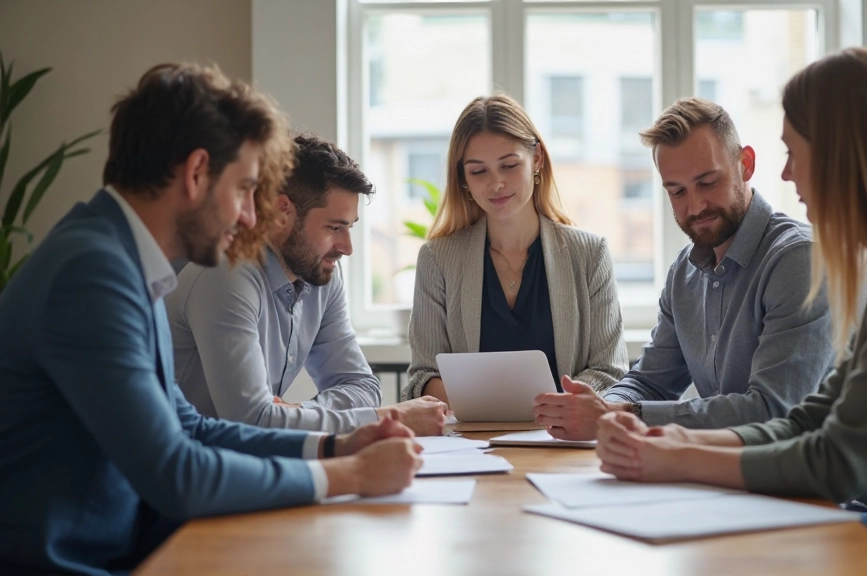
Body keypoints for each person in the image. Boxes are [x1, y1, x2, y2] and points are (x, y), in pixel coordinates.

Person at [596, 47, 867, 576]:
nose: (786, 172)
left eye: (793, 151)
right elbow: (810, 419)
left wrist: (679, 456)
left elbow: (839, 462)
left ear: (846, 154)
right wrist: (676, 438)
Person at [0, 63, 422, 576]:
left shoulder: (123, 259)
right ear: (197, 173)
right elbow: (177, 474)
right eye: (245, 188)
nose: (251, 216)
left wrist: (337, 444)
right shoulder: (93, 274)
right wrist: (349, 473)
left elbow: (192, 428)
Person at [533, 97, 834, 441]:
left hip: (817, 489)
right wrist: (598, 407)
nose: (696, 206)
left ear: (745, 164)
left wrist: (618, 415)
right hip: (732, 476)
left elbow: (772, 410)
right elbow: (649, 382)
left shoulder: (799, 260)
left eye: (707, 183)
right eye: (677, 191)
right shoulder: (684, 273)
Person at [168, 135, 446, 436]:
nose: (347, 247)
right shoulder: (226, 274)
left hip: (246, 461)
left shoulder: (321, 275)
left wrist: (297, 412)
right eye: (334, 227)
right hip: (184, 469)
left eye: (349, 227)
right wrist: (390, 419)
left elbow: (362, 387)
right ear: (281, 211)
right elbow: (250, 422)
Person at [404, 94, 628, 404]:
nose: (496, 184)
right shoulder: (437, 259)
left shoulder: (590, 254)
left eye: (509, 165)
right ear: (463, 178)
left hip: (561, 438)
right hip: (469, 444)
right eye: (478, 171)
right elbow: (421, 378)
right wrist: (506, 405)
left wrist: (543, 408)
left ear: (536, 159)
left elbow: (610, 372)